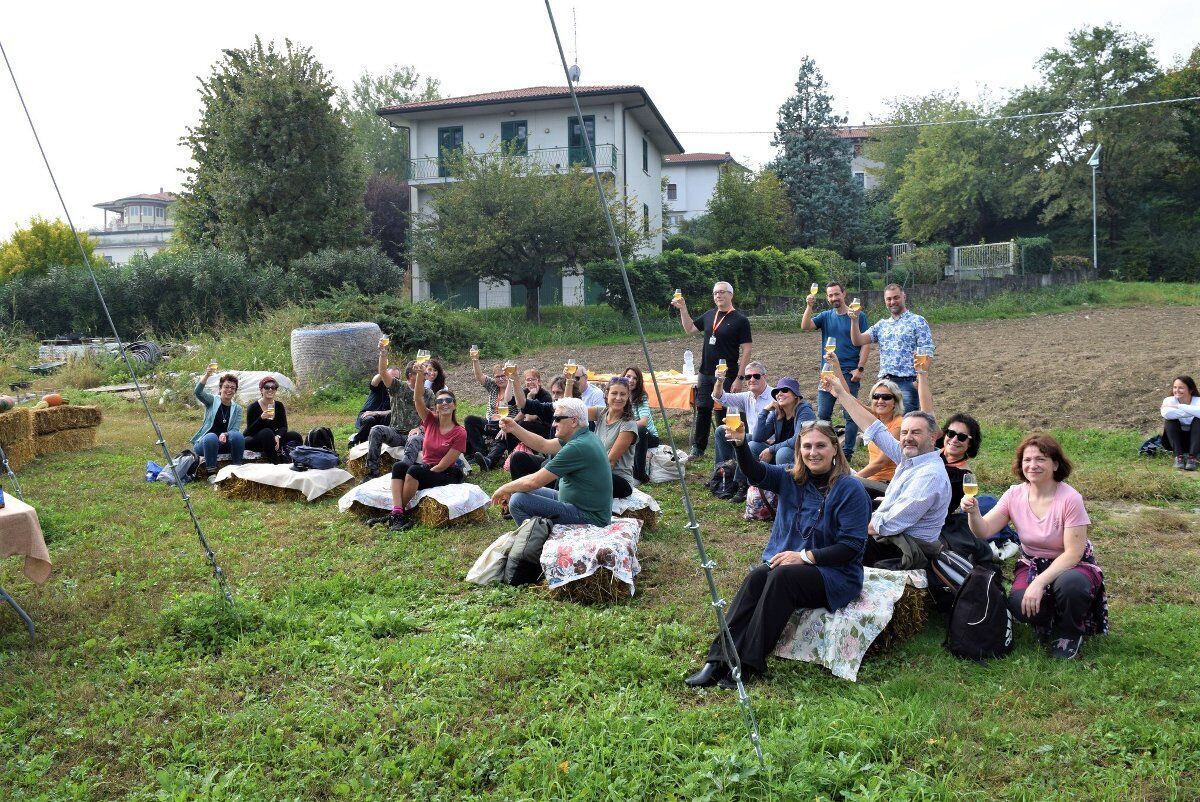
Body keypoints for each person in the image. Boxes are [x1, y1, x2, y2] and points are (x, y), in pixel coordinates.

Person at [684, 420, 870, 689]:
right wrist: (740, 445)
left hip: (835, 573)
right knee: (757, 578)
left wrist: (804, 557)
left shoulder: (850, 489)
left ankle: (749, 662)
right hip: (792, 565)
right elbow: (755, 471)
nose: (813, 452)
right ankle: (718, 660)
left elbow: (852, 547)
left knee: (782, 577)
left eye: (820, 446)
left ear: (834, 449)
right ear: (799, 450)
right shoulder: (790, 477)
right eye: (807, 446)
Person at [962, 434, 1109, 659]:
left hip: (1071, 564)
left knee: (1071, 586)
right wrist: (973, 513)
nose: (1033, 465)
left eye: (1041, 459)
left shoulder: (1070, 499)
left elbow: (1073, 553)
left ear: (1055, 464)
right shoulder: (1014, 494)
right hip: (1033, 563)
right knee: (1018, 604)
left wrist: (1039, 583)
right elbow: (983, 531)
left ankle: (1071, 632)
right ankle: (1053, 617)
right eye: (1027, 459)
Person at [825, 373, 950, 569]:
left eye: (916, 432)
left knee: (832, 540)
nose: (908, 437)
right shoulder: (912, 458)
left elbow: (887, 524)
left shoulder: (930, 475)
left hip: (904, 548)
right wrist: (840, 393)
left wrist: (848, 528)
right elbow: (874, 429)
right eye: (904, 432)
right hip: (891, 535)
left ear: (933, 438)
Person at [492, 398, 613, 526]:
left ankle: (534, 536)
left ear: (574, 421)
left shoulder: (577, 447)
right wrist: (514, 428)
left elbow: (534, 482)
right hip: (577, 504)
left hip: (590, 517)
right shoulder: (585, 436)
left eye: (557, 419)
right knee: (517, 491)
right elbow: (543, 445)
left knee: (518, 501)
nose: (554, 424)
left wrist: (504, 488)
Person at [368, 384, 467, 532]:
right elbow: (418, 399)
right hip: (429, 467)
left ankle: (398, 514)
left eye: (448, 400)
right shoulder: (430, 420)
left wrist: (422, 472)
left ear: (454, 405)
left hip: (447, 472)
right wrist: (420, 376)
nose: (444, 403)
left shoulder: (460, 432)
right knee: (399, 467)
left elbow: (442, 465)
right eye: (440, 401)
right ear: (436, 407)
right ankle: (397, 512)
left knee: (414, 471)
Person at [671, 281, 753, 460]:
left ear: (731, 295)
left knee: (725, 411)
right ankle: (698, 448)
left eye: (722, 292)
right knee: (703, 409)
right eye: (715, 293)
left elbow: (747, 350)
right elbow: (690, 329)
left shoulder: (740, 320)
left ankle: (729, 448)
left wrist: (740, 378)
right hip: (705, 373)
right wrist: (683, 308)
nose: (718, 295)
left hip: (727, 375)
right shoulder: (710, 315)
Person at [802, 281, 871, 459]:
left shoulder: (858, 316)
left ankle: (847, 453)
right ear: (827, 297)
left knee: (850, 415)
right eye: (830, 295)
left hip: (849, 373)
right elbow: (805, 326)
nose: (834, 298)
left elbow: (865, 343)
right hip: (828, 373)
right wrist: (809, 306)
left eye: (836, 294)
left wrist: (860, 368)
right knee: (823, 414)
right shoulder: (826, 316)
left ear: (844, 294)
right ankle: (828, 450)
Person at [848, 284, 932, 413]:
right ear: (885, 301)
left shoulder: (918, 321)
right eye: (889, 299)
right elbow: (858, 340)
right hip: (884, 383)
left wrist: (919, 380)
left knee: (905, 422)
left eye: (896, 297)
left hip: (907, 383)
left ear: (904, 296)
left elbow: (927, 352)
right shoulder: (882, 325)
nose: (892, 302)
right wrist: (854, 321)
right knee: (883, 422)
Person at [830, 351, 904, 497]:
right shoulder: (875, 417)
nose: (880, 401)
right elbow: (847, 397)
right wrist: (836, 366)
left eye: (886, 397)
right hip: (871, 480)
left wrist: (854, 479)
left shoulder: (899, 425)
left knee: (841, 487)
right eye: (876, 396)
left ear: (895, 402)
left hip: (887, 484)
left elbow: (881, 462)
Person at [362, 344, 429, 482]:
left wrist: (421, 428)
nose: (424, 376)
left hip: (416, 435)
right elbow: (382, 372)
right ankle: (372, 471)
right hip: (396, 434)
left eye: (424, 373)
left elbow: (433, 418)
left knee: (414, 439)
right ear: (410, 376)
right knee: (376, 430)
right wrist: (383, 352)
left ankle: (402, 474)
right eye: (420, 373)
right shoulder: (398, 387)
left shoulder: (428, 393)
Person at [711, 361, 775, 499]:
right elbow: (719, 397)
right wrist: (720, 381)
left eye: (756, 376)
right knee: (721, 431)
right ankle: (723, 475)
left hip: (769, 445)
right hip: (751, 439)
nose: (752, 379)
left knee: (748, 439)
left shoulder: (775, 396)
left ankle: (741, 484)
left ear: (765, 377)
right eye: (748, 377)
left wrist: (772, 447)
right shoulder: (748, 396)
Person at [583, 377, 639, 499]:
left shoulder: (628, 424)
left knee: (579, 479)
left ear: (628, 397)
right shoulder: (601, 413)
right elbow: (572, 411)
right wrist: (569, 383)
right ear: (607, 394)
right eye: (614, 393)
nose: (618, 398)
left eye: (622, 394)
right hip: (598, 471)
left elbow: (610, 462)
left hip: (618, 479)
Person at [747, 377, 815, 470]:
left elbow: (798, 440)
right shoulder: (777, 412)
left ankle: (784, 479)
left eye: (784, 390)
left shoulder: (805, 411)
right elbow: (757, 437)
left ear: (795, 395)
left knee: (783, 452)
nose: (779, 394)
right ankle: (754, 478)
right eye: (777, 391)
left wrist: (772, 449)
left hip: (798, 456)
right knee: (751, 444)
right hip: (778, 452)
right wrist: (765, 411)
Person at [465, 354, 517, 468]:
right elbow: (479, 376)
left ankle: (489, 461)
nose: (501, 379)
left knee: (505, 435)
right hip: (490, 424)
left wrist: (506, 426)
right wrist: (475, 360)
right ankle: (480, 454)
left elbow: (521, 413)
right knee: (470, 420)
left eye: (503, 376)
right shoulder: (493, 386)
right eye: (497, 377)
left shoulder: (515, 389)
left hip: (506, 424)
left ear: (508, 375)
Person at [192, 368, 245, 473]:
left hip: (223, 443)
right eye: (226, 387)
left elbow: (234, 429)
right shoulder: (212, 400)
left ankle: (236, 470)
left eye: (232, 388)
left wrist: (225, 434)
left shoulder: (237, 408)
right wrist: (207, 375)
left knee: (238, 436)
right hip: (206, 443)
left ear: (235, 391)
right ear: (220, 388)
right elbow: (198, 392)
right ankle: (211, 472)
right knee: (211, 437)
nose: (229, 390)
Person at [242, 377, 301, 463]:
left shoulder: (278, 405)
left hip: (272, 439)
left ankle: (297, 460)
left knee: (295, 435)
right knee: (267, 432)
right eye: (267, 387)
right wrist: (261, 419)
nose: (270, 390)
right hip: (255, 440)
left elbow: (283, 427)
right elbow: (249, 431)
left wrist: (278, 436)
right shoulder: (253, 407)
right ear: (261, 390)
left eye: (273, 387)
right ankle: (275, 463)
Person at [623, 367, 661, 483]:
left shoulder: (641, 397)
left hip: (648, 436)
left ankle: (639, 474)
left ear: (638, 382)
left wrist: (624, 426)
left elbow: (643, 421)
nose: (631, 380)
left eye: (635, 378)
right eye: (628, 376)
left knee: (640, 429)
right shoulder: (619, 396)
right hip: (628, 433)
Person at [350, 368, 399, 447]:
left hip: (383, 418)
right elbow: (373, 382)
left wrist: (376, 413)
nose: (392, 380)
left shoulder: (399, 391)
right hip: (367, 415)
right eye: (389, 376)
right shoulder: (379, 384)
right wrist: (383, 372)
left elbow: (395, 410)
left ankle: (382, 443)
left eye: (395, 378)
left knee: (390, 416)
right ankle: (355, 441)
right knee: (370, 419)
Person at [1161, 375, 1200, 471]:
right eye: (1175, 387)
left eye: (1181, 388)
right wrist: (1193, 411)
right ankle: (1178, 457)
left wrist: (1178, 406)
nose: (1177, 390)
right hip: (1176, 442)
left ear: (1190, 390)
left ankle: (1192, 458)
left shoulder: (1198, 400)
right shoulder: (1169, 400)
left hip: (1197, 442)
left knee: (1198, 420)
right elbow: (1166, 413)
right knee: (1170, 420)